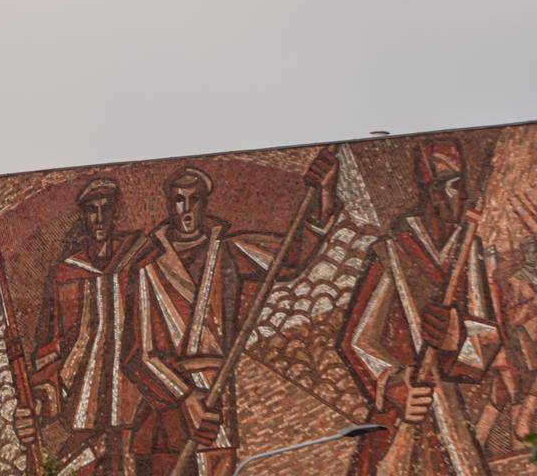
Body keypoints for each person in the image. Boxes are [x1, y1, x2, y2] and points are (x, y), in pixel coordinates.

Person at [123, 151, 341, 476]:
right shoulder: (146, 267)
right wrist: (184, 399)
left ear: (205, 203)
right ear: (169, 204)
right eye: (179, 200)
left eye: (194, 200)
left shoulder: (227, 250)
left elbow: (291, 259)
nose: (187, 209)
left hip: (215, 395)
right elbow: (138, 357)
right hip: (168, 410)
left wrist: (322, 195)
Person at [339, 139, 504, 476]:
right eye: (452, 185)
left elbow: (485, 340)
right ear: (432, 192)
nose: (461, 195)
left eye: (462, 184)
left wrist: (457, 336)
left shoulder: (468, 249)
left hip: (455, 417)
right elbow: (357, 339)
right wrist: (395, 385)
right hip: (404, 412)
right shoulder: (394, 251)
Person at [19, 174, 145, 476]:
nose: (99, 218)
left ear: (117, 212)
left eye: (106, 208)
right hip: (84, 413)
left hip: (136, 414)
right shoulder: (66, 274)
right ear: (83, 216)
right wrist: (38, 401)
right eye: (92, 210)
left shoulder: (140, 259)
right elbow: (52, 347)